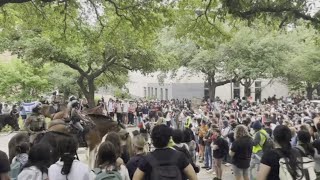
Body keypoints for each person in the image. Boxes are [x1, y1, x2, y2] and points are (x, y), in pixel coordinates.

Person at [133, 124, 198, 180]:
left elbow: (135, 178)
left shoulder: (147, 159)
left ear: (153, 140)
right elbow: (193, 177)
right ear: (169, 138)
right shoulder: (180, 156)